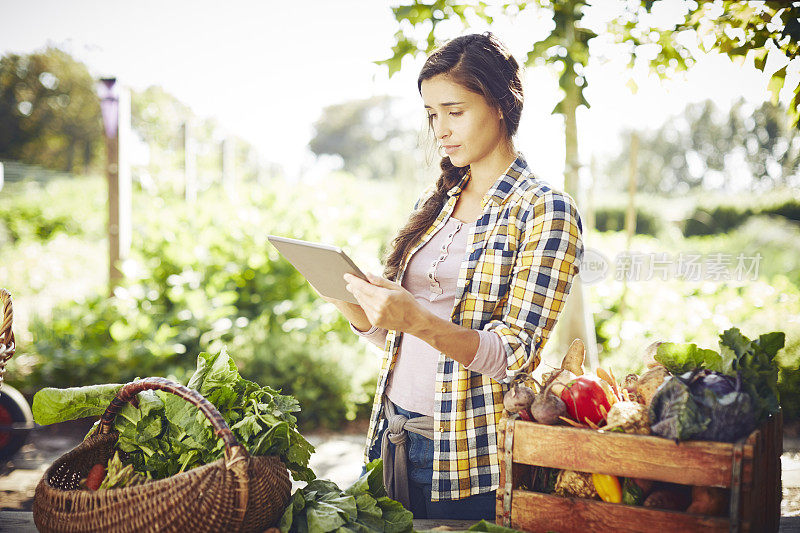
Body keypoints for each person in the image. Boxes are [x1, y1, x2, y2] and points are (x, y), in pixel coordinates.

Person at [322, 32, 584, 520]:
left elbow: (512, 354)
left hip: (468, 460)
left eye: (454, 111)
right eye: (431, 114)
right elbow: (396, 338)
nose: (440, 129)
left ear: (502, 104)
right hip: (392, 436)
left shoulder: (544, 209)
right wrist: (348, 300)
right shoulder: (437, 201)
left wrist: (417, 319)